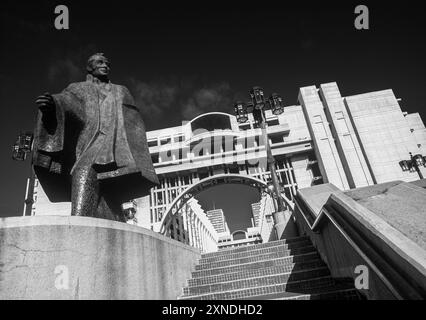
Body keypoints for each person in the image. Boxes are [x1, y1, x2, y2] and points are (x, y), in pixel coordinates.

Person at [33, 53, 159, 221]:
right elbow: (66, 103)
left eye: (107, 63)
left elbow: (134, 124)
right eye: (100, 62)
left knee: (101, 187)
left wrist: (138, 160)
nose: (105, 66)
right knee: (83, 170)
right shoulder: (78, 88)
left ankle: (85, 223)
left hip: (115, 147)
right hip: (89, 143)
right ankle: (81, 224)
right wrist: (52, 105)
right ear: (89, 67)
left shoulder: (121, 90)